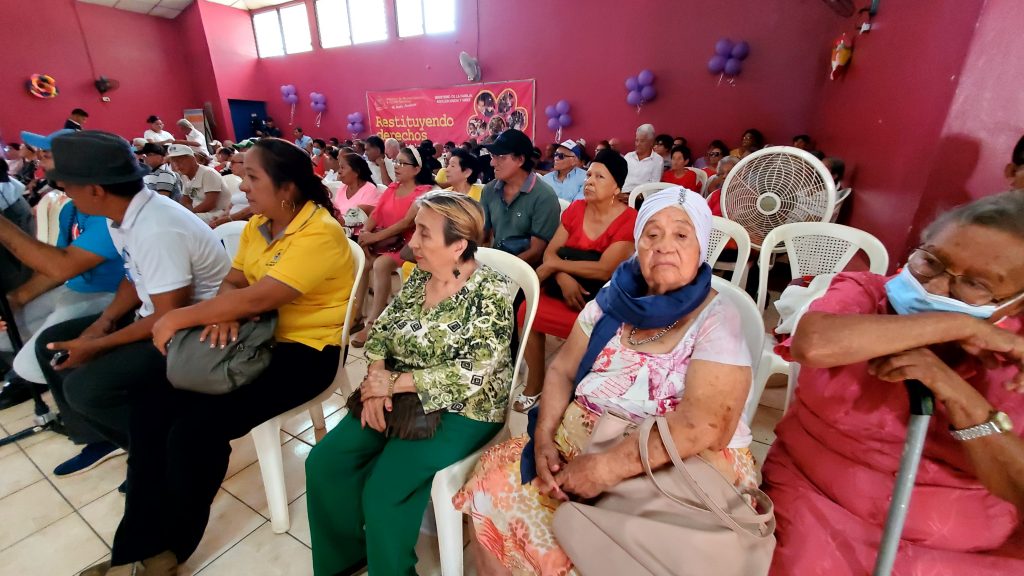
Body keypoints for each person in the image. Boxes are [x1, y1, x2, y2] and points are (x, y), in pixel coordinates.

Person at [78, 138, 354, 576]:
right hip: (252, 340)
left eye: (252, 177)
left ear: (287, 188)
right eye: (242, 175)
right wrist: (224, 313)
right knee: (150, 411)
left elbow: (260, 296)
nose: (242, 186)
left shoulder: (319, 233)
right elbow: (235, 283)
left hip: (306, 353)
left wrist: (184, 317)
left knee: (196, 430)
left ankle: (169, 551)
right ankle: (133, 548)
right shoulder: (257, 225)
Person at [456, 187, 757, 575]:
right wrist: (544, 437)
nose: (664, 246)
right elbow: (564, 368)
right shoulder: (614, 297)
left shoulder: (718, 317)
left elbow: (705, 426)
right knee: (494, 477)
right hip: (576, 446)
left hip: (670, 470)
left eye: (682, 235)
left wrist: (605, 469)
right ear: (637, 245)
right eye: (652, 234)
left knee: (596, 552)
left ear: (701, 247)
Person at [763, 190, 1024, 574]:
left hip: (963, 547)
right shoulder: (865, 295)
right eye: (931, 261)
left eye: (976, 284)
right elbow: (815, 343)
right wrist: (957, 323)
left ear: (1016, 303)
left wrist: (956, 393)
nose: (934, 288)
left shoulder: (1013, 360)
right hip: (815, 502)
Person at [306, 191, 515, 576]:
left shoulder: (491, 292)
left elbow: (474, 372)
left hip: (464, 407)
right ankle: (347, 558)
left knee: (385, 491)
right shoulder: (421, 277)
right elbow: (383, 328)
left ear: (459, 246)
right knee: (325, 463)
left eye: (424, 233)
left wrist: (392, 384)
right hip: (397, 393)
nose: (412, 242)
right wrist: (375, 378)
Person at [31, 131, 230, 486]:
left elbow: (169, 317)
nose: (66, 195)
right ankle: (116, 441)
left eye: (70, 188)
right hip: (159, 316)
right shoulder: (122, 215)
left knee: (87, 387)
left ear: (95, 189)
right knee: (52, 342)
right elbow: (133, 277)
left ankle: (168, 453)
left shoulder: (157, 227)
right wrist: (104, 323)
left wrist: (98, 345)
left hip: (195, 332)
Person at [514, 149, 637, 412]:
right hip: (563, 287)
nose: (589, 181)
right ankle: (535, 381)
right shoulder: (576, 209)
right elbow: (550, 252)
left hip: (597, 297)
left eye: (600, 177)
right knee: (527, 311)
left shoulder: (629, 219)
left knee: (594, 329)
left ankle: (579, 389)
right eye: (589, 174)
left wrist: (555, 267)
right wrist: (562, 275)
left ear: (617, 185)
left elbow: (605, 270)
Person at [350, 146, 435, 346]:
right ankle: (355, 316)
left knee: (380, 265)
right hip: (383, 240)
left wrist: (374, 237)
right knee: (362, 261)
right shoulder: (392, 188)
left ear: (416, 169)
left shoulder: (423, 192)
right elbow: (376, 214)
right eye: (395, 162)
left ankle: (373, 323)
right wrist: (365, 233)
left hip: (406, 245)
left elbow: (406, 223)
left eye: (402, 163)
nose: (396, 166)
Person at [479, 130, 560, 264]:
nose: (492, 163)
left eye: (501, 157)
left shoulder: (544, 197)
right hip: (496, 264)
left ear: (520, 160)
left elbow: (536, 252)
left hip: (527, 272)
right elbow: (482, 235)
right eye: (493, 156)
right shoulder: (489, 190)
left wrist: (501, 271)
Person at [166, 144, 230, 222]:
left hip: (218, 214)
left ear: (192, 159)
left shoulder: (208, 173)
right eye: (174, 161)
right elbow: (186, 201)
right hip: (200, 214)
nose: (177, 165)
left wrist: (189, 214)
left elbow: (210, 204)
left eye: (180, 160)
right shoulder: (185, 176)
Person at [333, 153, 382, 237]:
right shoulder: (342, 188)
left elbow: (366, 218)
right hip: (338, 231)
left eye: (343, 168)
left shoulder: (370, 189)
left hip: (356, 237)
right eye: (339, 167)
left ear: (356, 172)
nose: (339, 171)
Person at [208, 151, 253, 227]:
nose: (230, 166)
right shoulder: (240, 185)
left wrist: (228, 219)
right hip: (233, 223)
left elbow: (252, 209)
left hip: (244, 224)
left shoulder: (256, 184)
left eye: (233, 162)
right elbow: (230, 206)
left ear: (245, 164)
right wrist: (220, 218)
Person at [621, 124, 663, 199]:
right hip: (623, 194)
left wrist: (635, 196)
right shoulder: (628, 156)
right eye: (636, 140)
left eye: (642, 141)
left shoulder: (657, 160)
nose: (638, 144)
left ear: (651, 142)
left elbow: (654, 186)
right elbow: (619, 177)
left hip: (642, 198)